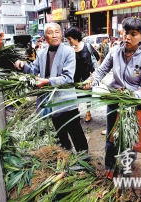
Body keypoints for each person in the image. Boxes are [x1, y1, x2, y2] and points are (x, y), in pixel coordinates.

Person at [84, 17, 141, 179]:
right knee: (111, 135)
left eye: (133, 34)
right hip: (114, 101)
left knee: (130, 138)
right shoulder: (115, 51)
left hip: (133, 104)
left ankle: (129, 163)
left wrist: (130, 95)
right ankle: (110, 164)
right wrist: (91, 81)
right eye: (126, 33)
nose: (127, 37)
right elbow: (101, 71)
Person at [14, 22, 88, 152]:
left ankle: (84, 157)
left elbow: (67, 78)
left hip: (65, 99)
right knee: (59, 130)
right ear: (44, 36)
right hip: (50, 100)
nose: (54, 35)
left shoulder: (68, 51)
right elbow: (33, 70)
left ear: (61, 35)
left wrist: (46, 82)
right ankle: (67, 154)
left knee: (75, 130)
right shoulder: (42, 53)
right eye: (50, 32)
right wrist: (22, 66)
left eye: (57, 32)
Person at [64, 27, 100, 123]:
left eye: (69, 39)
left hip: (87, 76)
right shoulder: (69, 49)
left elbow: (97, 57)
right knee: (76, 95)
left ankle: (88, 113)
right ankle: (77, 111)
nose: (69, 41)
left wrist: (95, 73)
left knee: (87, 95)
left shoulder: (87, 46)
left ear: (75, 37)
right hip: (75, 76)